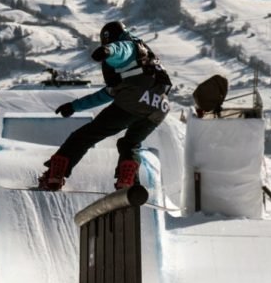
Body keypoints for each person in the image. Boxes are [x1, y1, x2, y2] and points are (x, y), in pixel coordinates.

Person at [38, 21, 171, 191]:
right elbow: (107, 93)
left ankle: (54, 176)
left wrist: (108, 51)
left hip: (134, 99)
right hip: (160, 107)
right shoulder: (143, 64)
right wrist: (74, 106)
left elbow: (121, 50)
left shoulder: (129, 46)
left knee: (85, 135)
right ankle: (126, 182)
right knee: (130, 144)